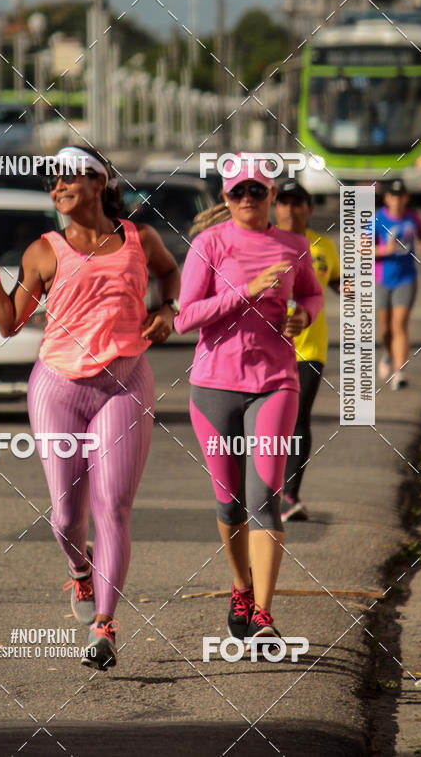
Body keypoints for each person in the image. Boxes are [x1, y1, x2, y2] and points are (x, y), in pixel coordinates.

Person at [0, 145, 180, 671]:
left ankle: (104, 626)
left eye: (66, 178)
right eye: (50, 183)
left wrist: (166, 308)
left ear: (99, 181)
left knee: (114, 507)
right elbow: (10, 323)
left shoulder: (138, 238)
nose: (56, 188)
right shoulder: (43, 250)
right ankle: (80, 570)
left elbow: (171, 274)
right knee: (65, 515)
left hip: (125, 385)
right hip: (58, 388)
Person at [175, 156, 323, 645]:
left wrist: (302, 316)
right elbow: (185, 318)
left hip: (275, 382)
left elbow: (313, 296)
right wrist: (246, 291)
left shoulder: (294, 245)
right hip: (214, 387)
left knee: (265, 499)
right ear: (224, 197)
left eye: (256, 192)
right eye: (237, 192)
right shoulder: (209, 244)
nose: (246, 200)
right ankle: (240, 586)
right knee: (229, 502)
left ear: (271, 196)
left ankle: (262, 613)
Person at [273, 179, 341, 522]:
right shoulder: (263, 243)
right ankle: (264, 489)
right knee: (267, 424)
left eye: (297, 203)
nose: (290, 209)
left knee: (298, 420)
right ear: (274, 207)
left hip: (310, 350)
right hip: (267, 349)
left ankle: (290, 495)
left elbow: (338, 283)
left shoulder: (323, 245)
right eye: (283, 202)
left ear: (309, 209)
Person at [374, 178, 421, 390]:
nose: (397, 200)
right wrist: (382, 251)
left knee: (400, 325)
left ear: (406, 198)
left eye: (400, 196)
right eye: (393, 196)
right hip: (382, 279)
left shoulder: (412, 218)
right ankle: (388, 353)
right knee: (386, 329)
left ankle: (399, 371)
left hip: (407, 278)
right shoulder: (377, 220)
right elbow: (361, 250)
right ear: (387, 198)